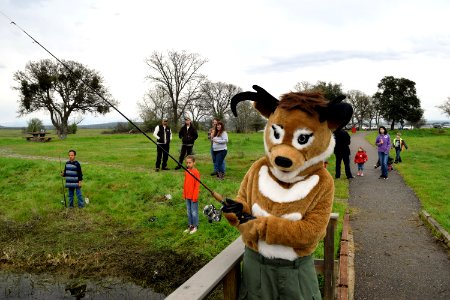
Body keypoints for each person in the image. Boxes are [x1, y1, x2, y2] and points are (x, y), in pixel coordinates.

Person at [182, 155, 200, 234]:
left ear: (194, 163)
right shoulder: (186, 171)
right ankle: (190, 225)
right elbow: (185, 183)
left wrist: (195, 196)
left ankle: (195, 226)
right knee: (188, 211)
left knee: (194, 212)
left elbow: (197, 186)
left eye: (190, 163)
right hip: (187, 195)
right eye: (187, 163)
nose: (188, 164)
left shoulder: (196, 172)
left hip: (193, 196)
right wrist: (184, 194)